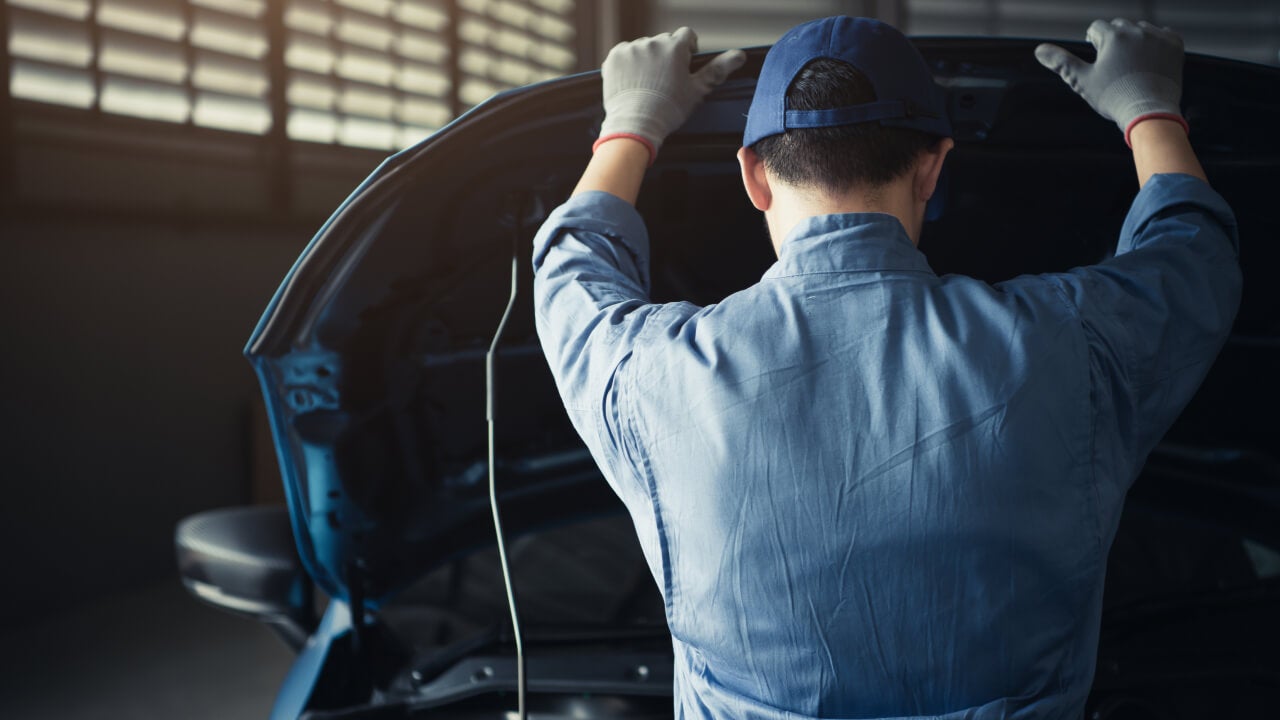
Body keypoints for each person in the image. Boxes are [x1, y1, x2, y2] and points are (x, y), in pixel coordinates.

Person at [531, 15, 1240, 720]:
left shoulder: (656, 373)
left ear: (753, 176)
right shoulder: (1067, 344)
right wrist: (1149, 110)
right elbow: (1193, 259)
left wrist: (630, 124)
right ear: (931, 167)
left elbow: (570, 275)